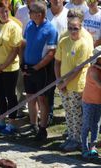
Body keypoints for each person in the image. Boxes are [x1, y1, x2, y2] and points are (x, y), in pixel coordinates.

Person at [55, 9, 93, 152]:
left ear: (81, 26)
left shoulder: (84, 42)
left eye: (75, 28)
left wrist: (64, 82)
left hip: (77, 84)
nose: (72, 31)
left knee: (77, 114)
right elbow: (57, 62)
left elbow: (78, 68)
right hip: (64, 84)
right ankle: (70, 137)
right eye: (70, 28)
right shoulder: (64, 40)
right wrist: (59, 81)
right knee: (68, 112)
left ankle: (77, 140)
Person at [0, 1, 23, 136]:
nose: (4, 14)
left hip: (9, 68)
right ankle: (1, 121)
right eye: (1, 11)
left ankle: (11, 123)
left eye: (6, 11)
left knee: (10, 95)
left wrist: (3, 66)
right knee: (0, 95)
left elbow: (15, 50)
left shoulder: (14, 27)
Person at [21, 1, 58, 141]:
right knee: (30, 97)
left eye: (30, 12)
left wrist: (36, 67)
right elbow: (24, 44)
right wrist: (23, 63)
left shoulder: (50, 29)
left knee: (42, 98)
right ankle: (33, 125)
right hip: (28, 67)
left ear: (39, 14)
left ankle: (42, 128)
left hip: (42, 70)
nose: (28, 14)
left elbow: (51, 53)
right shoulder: (30, 25)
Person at [81, 48, 101, 159]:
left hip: (99, 100)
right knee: (86, 124)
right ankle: (84, 148)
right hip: (89, 100)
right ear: (98, 59)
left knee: (96, 124)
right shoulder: (93, 70)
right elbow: (100, 85)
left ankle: (93, 146)